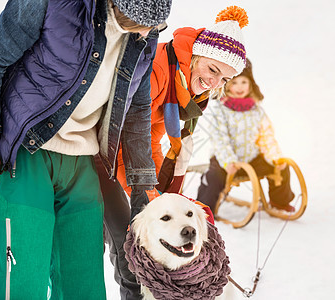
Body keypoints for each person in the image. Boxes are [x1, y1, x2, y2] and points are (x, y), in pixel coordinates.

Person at [0, 0, 172, 298]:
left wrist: (144, 183)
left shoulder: (146, 36)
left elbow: (137, 109)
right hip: (28, 154)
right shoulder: (54, 5)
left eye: (156, 26)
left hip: (83, 164)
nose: (149, 33)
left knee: (83, 286)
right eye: (141, 24)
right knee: (20, 282)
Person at [93, 5, 249, 300]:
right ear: (196, 56)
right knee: (128, 245)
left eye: (224, 79)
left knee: (130, 242)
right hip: (97, 152)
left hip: (118, 158)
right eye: (212, 69)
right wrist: (144, 189)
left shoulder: (184, 88)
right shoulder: (159, 70)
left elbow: (150, 137)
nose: (215, 83)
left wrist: (158, 193)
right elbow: (125, 133)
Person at [196, 58, 296, 213]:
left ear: (250, 85)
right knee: (214, 178)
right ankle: (204, 209)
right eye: (234, 83)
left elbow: (266, 138)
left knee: (282, 167)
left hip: (252, 159)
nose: (239, 87)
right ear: (227, 85)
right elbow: (220, 139)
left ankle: (280, 201)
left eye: (243, 82)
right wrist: (229, 161)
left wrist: (275, 157)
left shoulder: (257, 111)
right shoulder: (220, 111)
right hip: (226, 161)